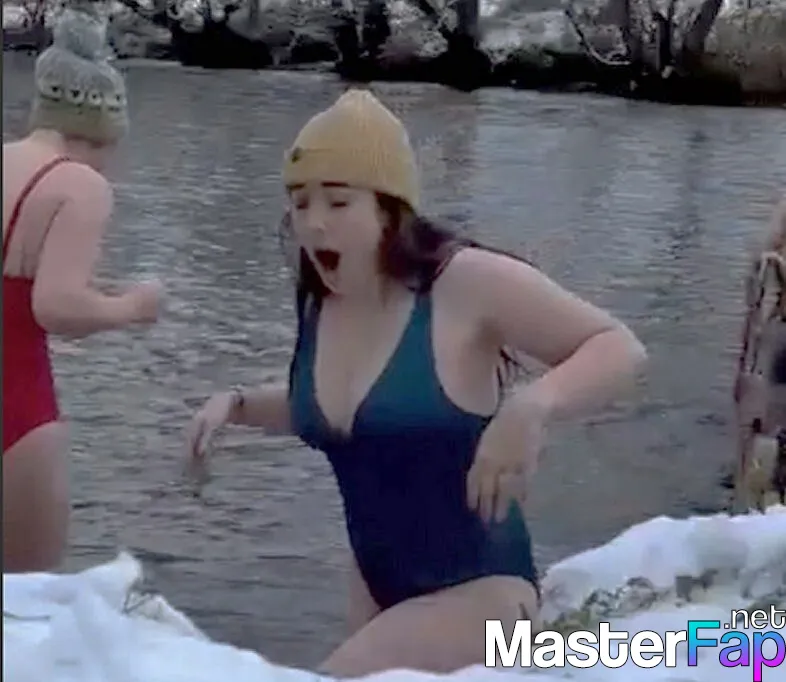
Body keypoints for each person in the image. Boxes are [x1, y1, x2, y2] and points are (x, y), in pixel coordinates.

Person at [185, 89, 647, 676]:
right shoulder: (325, 302)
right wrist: (236, 405)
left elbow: (619, 347)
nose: (314, 222)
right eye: (300, 203)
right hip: (377, 590)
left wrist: (530, 407)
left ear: (390, 209)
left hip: (484, 600)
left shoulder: (465, 284)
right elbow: (341, 410)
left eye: (338, 201)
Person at [2, 3, 161, 573]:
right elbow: (55, 305)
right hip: (16, 403)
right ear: (98, 128)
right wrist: (132, 307)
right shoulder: (78, 184)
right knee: (28, 602)